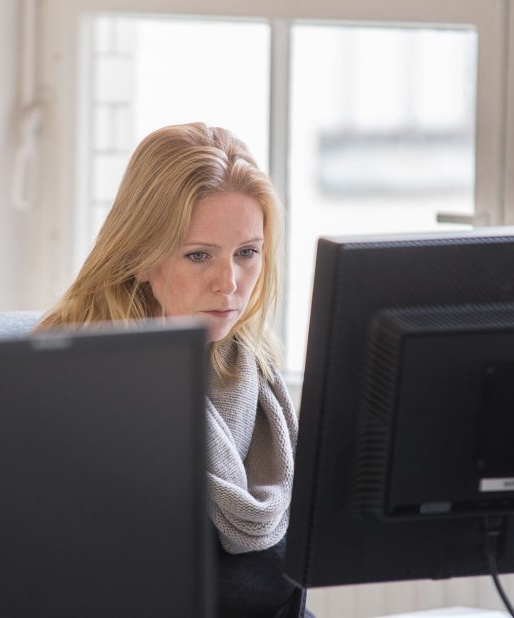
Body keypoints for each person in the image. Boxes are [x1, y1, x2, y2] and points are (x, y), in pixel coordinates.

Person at [36, 122, 309, 618]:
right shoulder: (81, 385)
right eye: (199, 255)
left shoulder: (252, 365)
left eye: (247, 253)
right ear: (141, 257)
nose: (229, 284)